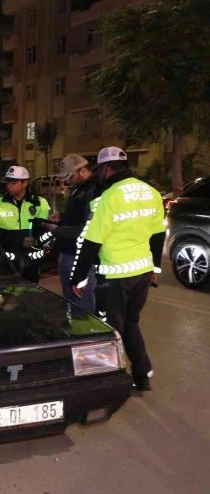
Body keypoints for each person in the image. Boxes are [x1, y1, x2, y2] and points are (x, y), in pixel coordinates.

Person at [70, 146, 165, 391]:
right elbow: (158, 235)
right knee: (131, 322)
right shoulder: (151, 192)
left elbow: (92, 241)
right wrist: (155, 267)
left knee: (110, 329)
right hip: (142, 272)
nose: (99, 174)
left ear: (107, 169)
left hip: (114, 275)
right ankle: (142, 375)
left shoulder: (109, 198)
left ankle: (111, 380)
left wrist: (78, 278)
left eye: (99, 170)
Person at [44, 154, 103, 312]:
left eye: (70, 176)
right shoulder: (78, 189)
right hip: (68, 252)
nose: (66, 181)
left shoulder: (95, 191)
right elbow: (76, 217)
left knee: (83, 307)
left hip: (81, 258)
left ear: (82, 171)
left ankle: (85, 335)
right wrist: (61, 218)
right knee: (70, 304)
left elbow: (89, 227)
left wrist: (58, 230)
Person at [0, 165, 51, 283]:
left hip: (32, 261)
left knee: (30, 295)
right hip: (8, 261)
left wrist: (38, 241)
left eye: (13, 183)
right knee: (7, 295)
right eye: (7, 183)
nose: (9, 186)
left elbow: (46, 229)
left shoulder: (40, 203)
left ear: (24, 183)